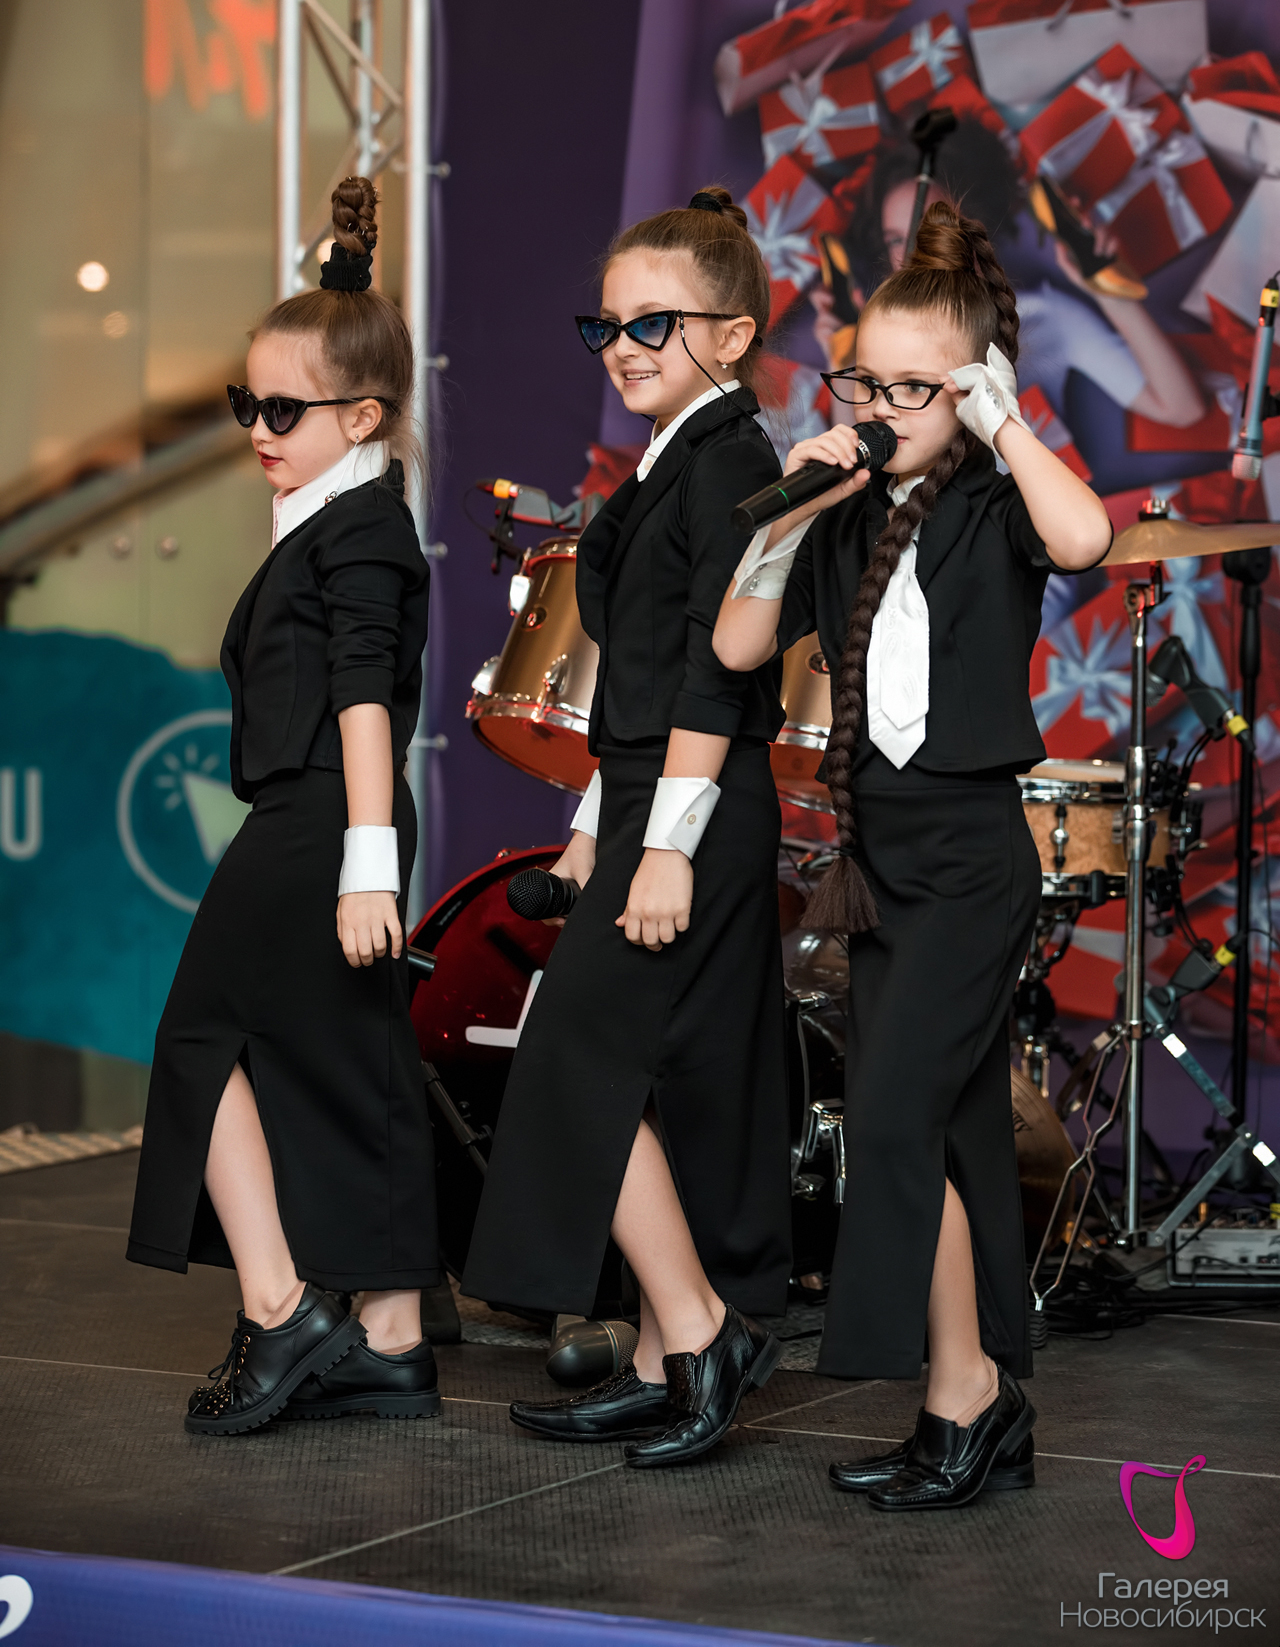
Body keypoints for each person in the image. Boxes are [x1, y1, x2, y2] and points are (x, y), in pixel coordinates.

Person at [713, 199, 1113, 1511]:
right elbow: (735, 648)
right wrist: (789, 513)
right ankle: (977, 1404)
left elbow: (1086, 540)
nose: (879, 408)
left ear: (968, 388)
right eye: (862, 381)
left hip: (967, 866)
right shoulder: (840, 520)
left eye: (909, 388)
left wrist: (1004, 422)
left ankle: (961, 1394)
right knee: (949, 1130)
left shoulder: (996, 504)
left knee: (890, 1117)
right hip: (879, 874)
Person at [462, 188, 792, 1469]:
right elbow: (636, 681)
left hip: (696, 809)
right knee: (658, 1080)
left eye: (653, 322)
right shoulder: (671, 458)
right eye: (605, 325)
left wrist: (665, 843)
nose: (621, 346)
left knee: (578, 1064)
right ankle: (661, 1361)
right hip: (655, 797)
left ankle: (699, 1332)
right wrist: (602, 823)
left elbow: (715, 674)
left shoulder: (733, 462)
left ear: (734, 333)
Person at [126, 178, 442, 1435]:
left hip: (321, 822)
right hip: (326, 817)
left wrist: (367, 863)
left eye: (283, 409)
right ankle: (391, 1339)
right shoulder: (334, 516)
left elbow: (365, 698)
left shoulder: (356, 528)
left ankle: (282, 1307)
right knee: (351, 1066)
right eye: (244, 402)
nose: (257, 427)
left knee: (202, 1041)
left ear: (362, 415)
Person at [811, 129, 1206, 440]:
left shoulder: (1046, 320)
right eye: (896, 239)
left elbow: (1183, 408)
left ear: (975, 228)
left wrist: (1111, 293)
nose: (913, 254)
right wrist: (846, 361)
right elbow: (856, 470)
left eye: (929, 229)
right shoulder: (884, 345)